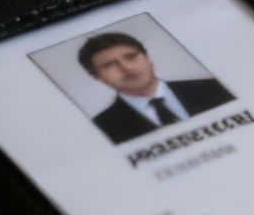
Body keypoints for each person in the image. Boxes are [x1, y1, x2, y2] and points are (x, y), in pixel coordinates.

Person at [76, 31, 234, 144]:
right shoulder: (101, 128)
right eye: (109, 65)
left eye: (131, 57)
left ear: (147, 58)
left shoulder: (214, 88)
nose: (126, 67)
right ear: (95, 76)